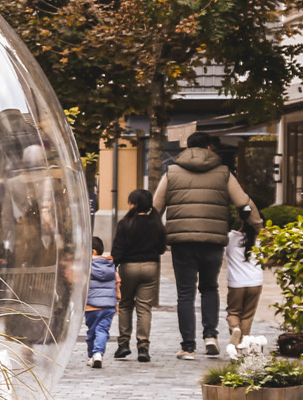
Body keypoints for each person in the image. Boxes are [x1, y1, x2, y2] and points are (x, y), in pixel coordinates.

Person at [155, 132, 262, 359]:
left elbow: (156, 206)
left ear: (187, 148)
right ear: (209, 148)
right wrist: (260, 227)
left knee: (185, 293)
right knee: (209, 288)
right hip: (213, 241)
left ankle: (188, 347)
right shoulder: (224, 173)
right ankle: (210, 336)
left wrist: (153, 236)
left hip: (182, 242)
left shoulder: (171, 172)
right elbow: (243, 201)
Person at [113, 189, 166, 362]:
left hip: (129, 267)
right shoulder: (156, 223)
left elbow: (117, 251)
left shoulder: (125, 224)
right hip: (151, 267)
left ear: (134, 204)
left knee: (126, 305)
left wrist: (113, 267)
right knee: (144, 308)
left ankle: (123, 344)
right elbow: (161, 248)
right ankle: (143, 347)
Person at [225, 207, 264, 355]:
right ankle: (242, 346)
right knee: (247, 315)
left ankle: (235, 329)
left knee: (233, 312)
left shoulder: (230, 238)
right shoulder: (261, 240)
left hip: (236, 284)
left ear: (239, 218)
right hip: (255, 282)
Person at [86, 237, 117, 368]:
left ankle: (92, 355)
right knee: (102, 330)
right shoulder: (110, 266)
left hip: (91, 307)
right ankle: (98, 354)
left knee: (92, 332)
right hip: (108, 306)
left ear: (92, 252)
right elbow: (118, 283)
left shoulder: (86, 267)